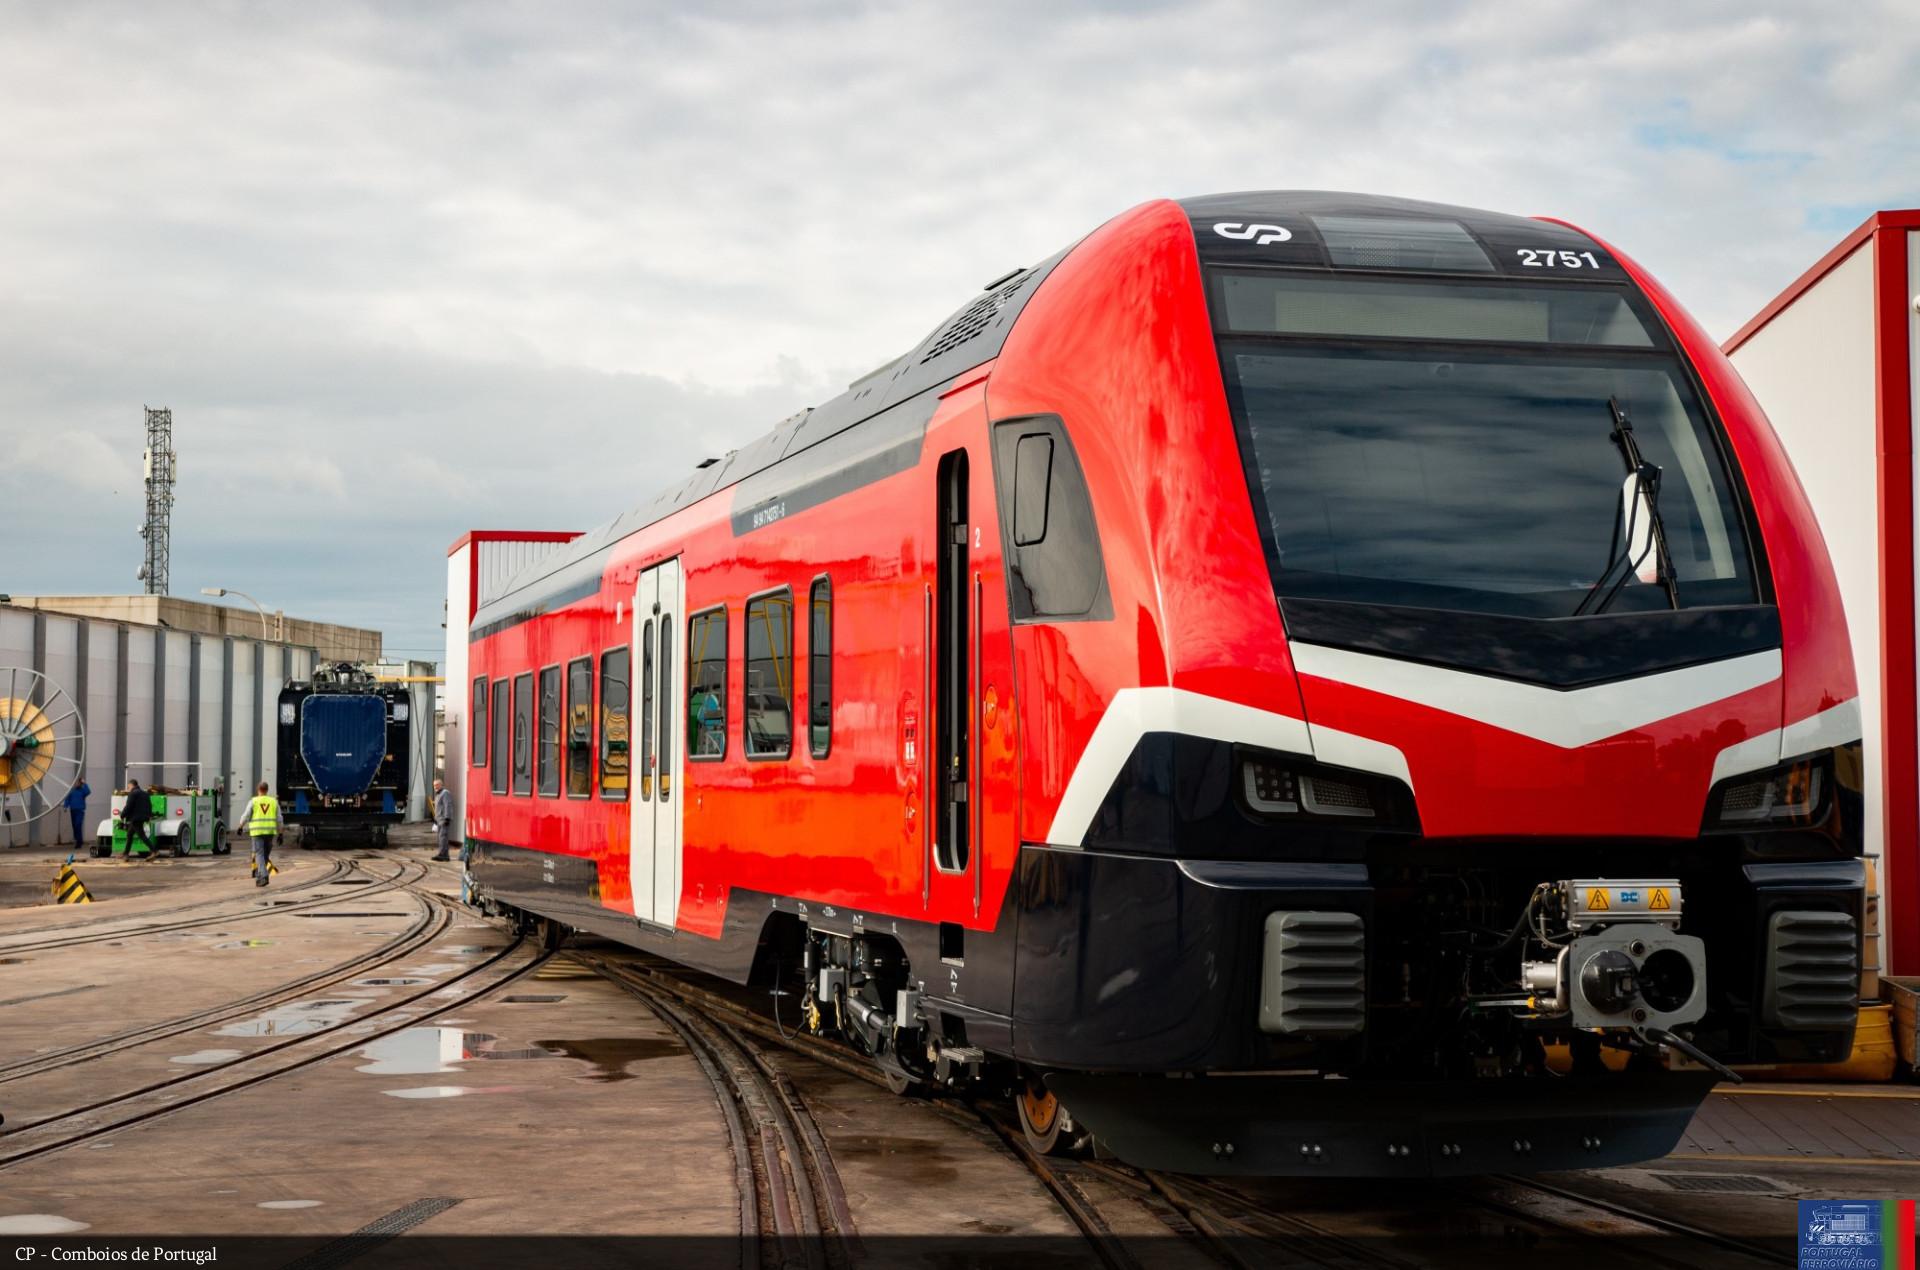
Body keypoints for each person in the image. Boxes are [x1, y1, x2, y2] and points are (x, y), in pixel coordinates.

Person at [240, 780, 281, 887]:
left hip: (257, 832)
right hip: (270, 833)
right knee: (264, 856)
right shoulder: (274, 802)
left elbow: (246, 815)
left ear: (258, 789)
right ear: (267, 790)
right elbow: (280, 819)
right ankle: (260, 877)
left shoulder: (253, 801)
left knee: (260, 855)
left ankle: (264, 876)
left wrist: (240, 826)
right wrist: (281, 833)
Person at [121, 778, 155, 860]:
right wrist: (149, 816)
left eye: (128, 787)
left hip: (135, 818)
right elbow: (149, 805)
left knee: (142, 835)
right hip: (142, 817)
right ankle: (125, 854)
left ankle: (154, 851)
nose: (128, 788)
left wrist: (122, 815)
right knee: (129, 834)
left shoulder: (133, 794)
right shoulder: (145, 793)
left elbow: (129, 806)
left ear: (131, 785)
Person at [63, 779, 91, 849]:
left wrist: (84, 783)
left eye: (79, 783)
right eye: (77, 783)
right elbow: (67, 799)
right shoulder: (72, 791)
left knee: (78, 825)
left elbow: (88, 792)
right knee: (74, 826)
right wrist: (65, 806)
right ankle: (77, 839)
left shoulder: (82, 791)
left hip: (80, 810)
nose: (77, 784)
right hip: (73, 810)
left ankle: (79, 842)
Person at [431, 779, 453, 861]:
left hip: (444, 820)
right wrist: (435, 820)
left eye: (437, 785)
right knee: (441, 838)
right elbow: (438, 808)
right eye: (434, 785)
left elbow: (447, 805)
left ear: (441, 785)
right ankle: (445, 855)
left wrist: (447, 818)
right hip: (439, 820)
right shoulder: (438, 794)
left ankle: (442, 855)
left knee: (443, 838)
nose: (435, 787)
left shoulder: (445, 793)